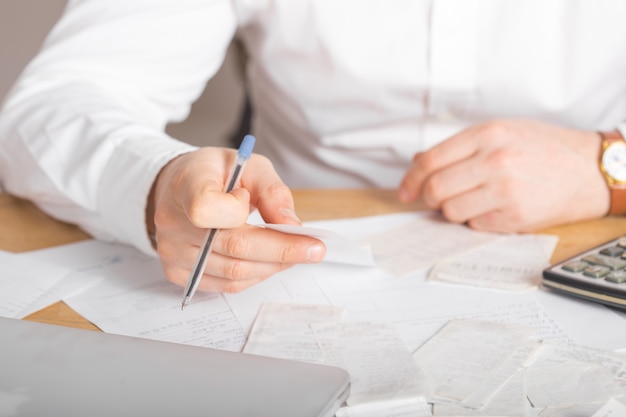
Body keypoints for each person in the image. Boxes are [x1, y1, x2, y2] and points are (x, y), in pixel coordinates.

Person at [0, 0, 625, 294]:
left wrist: (610, 166)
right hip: (286, 270)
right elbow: (53, 105)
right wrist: (157, 184)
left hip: (588, 245)